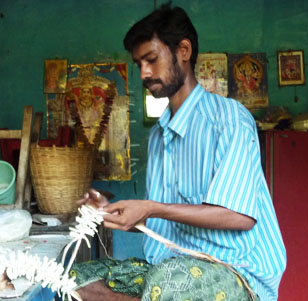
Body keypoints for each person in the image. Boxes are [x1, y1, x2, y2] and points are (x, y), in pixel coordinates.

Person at [73, 3, 286, 301]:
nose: (144, 73)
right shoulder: (159, 135)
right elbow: (161, 221)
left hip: (234, 271)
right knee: (73, 278)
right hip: (171, 265)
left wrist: (151, 207)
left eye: (151, 59)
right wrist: (109, 213)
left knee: (168, 285)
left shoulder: (228, 120)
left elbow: (239, 216)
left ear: (183, 51)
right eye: (138, 64)